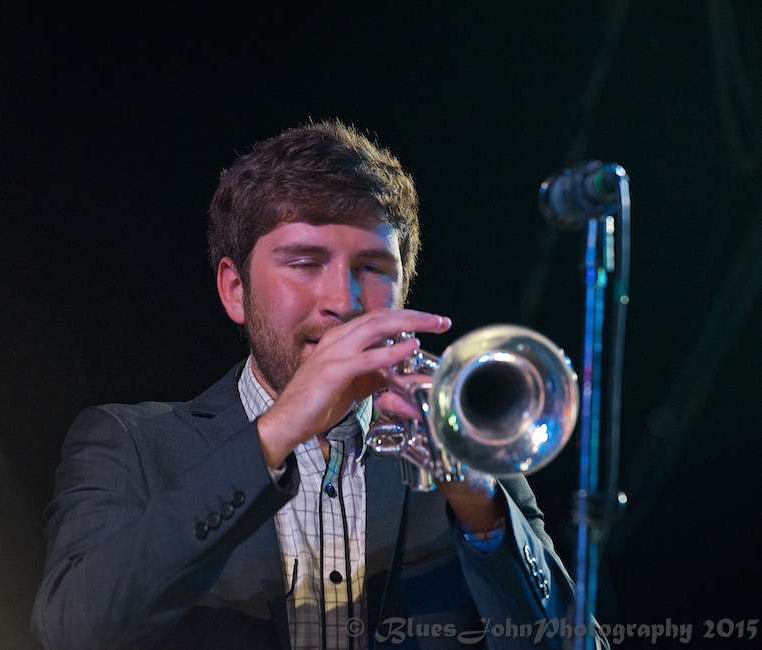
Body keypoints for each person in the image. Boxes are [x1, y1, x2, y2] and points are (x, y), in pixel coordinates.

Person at [32, 120, 607, 649]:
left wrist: (481, 509)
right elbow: (73, 630)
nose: (343, 302)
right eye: (305, 262)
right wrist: (277, 432)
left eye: (373, 268)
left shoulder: (468, 452)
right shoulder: (132, 444)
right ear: (235, 290)